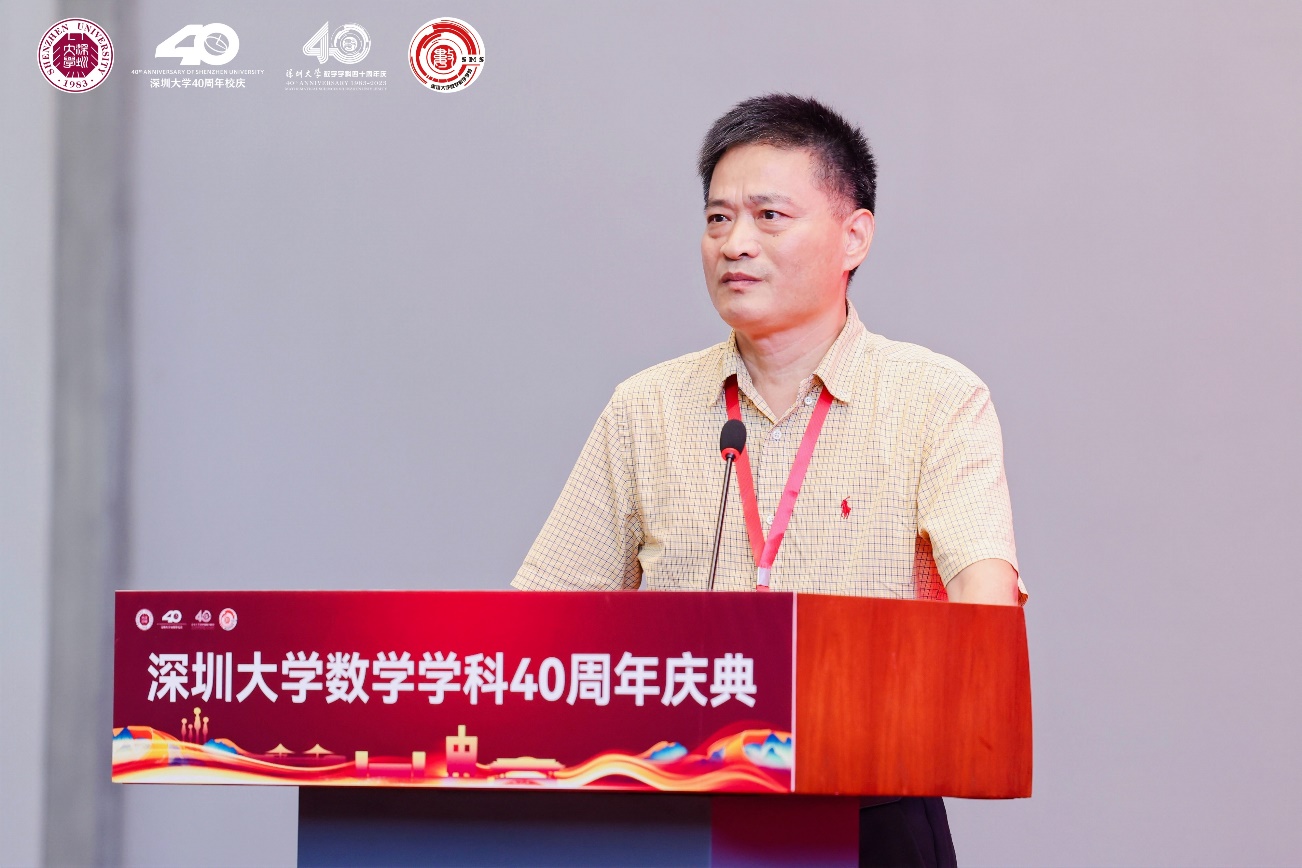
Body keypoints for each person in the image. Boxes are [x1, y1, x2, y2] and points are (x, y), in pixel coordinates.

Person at [513, 94, 1022, 867]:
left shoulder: (936, 400)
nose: (735, 244)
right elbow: (540, 623)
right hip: (674, 811)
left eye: (768, 216)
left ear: (854, 236)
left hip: (868, 810)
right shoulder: (647, 407)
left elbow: (986, 608)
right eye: (718, 219)